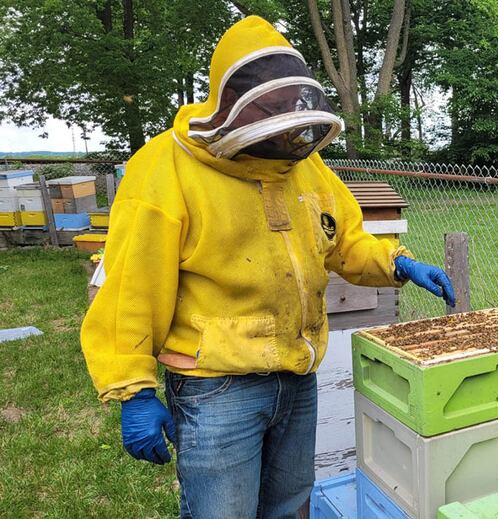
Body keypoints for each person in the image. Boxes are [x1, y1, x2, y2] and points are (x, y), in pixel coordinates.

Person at [80, 15, 455, 519]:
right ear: (233, 105)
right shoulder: (163, 168)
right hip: (216, 383)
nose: (285, 137)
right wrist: (132, 388)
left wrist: (399, 264)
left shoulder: (303, 164)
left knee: (289, 507)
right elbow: (130, 288)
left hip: (297, 370)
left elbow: (342, 239)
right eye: (270, 114)